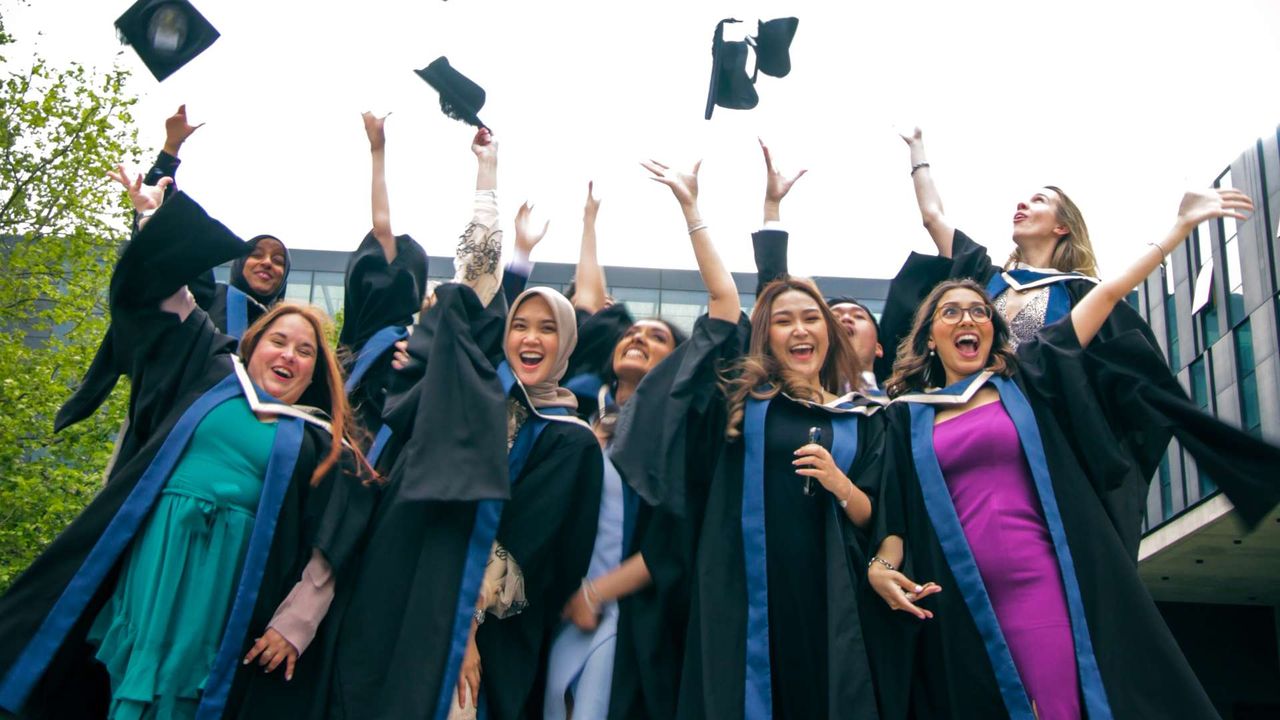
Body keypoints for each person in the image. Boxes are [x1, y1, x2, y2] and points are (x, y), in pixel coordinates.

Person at [867, 188, 1280, 719]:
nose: (968, 320)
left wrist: (1177, 231)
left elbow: (1104, 297)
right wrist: (882, 566)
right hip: (957, 590)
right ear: (929, 337)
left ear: (993, 329)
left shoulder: (1029, 379)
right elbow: (896, 506)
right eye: (951, 312)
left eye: (979, 311)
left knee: (1060, 701)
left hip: (1038, 580)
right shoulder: (906, 416)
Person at [0, 174, 375, 719]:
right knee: (123, 680)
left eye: (304, 351)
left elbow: (334, 541)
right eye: (278, 340)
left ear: (315, 372)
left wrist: (296, 623)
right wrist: (152, 217)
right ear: (252, 346)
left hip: (229, 581)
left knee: (189, 692)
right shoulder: (211, 370)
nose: (289, 355)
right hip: (155, 554)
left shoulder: (320, 441)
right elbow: (162, 296)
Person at [323, 129, 604, 720]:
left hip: (479, 633)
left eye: (547, 329)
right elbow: (475, 281)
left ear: (566, 343)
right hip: (397, 581)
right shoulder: (470, 392)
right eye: (519, 325)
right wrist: (486, 177)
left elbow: (529, 549)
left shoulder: (567, 438)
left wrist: (464, 629)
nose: (530, 337)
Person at [611, 158, 885, 719]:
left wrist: (838, 483)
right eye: (783, 321)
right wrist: (693, 211)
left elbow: (877, 514)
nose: (799, 328)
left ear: (829, 333)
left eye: (811, 318)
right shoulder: (745, 403)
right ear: (768, 336)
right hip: (744, 591)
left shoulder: (866, 417)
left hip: (831, 592)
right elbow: (725, 303)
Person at [878, 126, 1177, 559]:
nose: (1022, 205)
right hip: (970, 426)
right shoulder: (984, 278)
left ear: (1062, 227)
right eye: (1022, 200)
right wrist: (917, 151)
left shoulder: (1083, 295)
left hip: (1044, 441)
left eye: (1038, 201)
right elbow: (933, 217)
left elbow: (1124, 387)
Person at [541, 181, 688, 720]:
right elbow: (586, 307)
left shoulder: (673, 435)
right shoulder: (575, 409)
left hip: (622, 612)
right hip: (548, 602)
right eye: (633, 332)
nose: (638, 337)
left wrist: (597, 592)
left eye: (658, 337)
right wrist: (588, 224)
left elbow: (674, 539)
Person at [750, 139, 885, 389]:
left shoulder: (908, 404)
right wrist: (772, 208)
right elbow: (774, 294)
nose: (846, 320)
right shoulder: (786, 400)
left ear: (879, 347)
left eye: (858, 316)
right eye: (835, 317)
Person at [337, 112, 429, 458]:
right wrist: (378, 151)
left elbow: (382, 225)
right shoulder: (358, 344)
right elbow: (382, 225)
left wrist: (378, 151)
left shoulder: (408, 349)